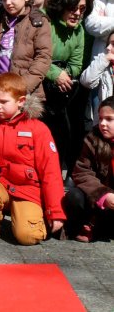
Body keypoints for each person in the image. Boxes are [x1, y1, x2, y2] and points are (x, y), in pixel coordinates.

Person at [0, 72, 65, 245]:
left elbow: (51, 172)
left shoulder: (38, 129)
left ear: (21, 101)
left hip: (27, 190)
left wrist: (55, 211)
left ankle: (31, 216)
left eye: (3, 102)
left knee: (28, 237)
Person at [42, 0, 90, 178]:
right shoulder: (44, 22)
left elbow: (77, 63)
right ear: (61, 5)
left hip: (60, 96)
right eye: (73, 7)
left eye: (82, 9)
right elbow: (33, 55)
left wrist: (66, 75)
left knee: (62, 139)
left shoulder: (79, 31)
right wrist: (55, 73)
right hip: (36, 92)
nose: (77, 13)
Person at [64, 96, 114, 242]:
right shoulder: (92, 139)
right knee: (74, 196)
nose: (103, 124)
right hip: (99, 201)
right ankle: (88, 225)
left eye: (109, 119)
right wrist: (104, 195)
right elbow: (82, 172)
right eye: (101, 118)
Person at [80, 31, 114, 124]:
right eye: (108, 44)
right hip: (104, 124)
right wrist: (104, 60)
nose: (108, 48)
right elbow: (86, 81)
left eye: (113, 44)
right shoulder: (104, 64)